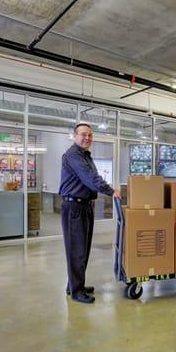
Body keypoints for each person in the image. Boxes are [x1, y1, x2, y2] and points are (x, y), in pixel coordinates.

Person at [59, 123, 120, 304]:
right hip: (74, 208)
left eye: (90, 135)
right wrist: (111, 191)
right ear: (75, 136)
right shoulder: (73, 155)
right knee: (76, 250)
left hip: (85, 206)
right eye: (83, 135)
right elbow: (90, 178)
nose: (87, 138)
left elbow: (91, 179)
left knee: (83, 249)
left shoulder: (85, 155)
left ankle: (75, 285)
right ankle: (76, 291)